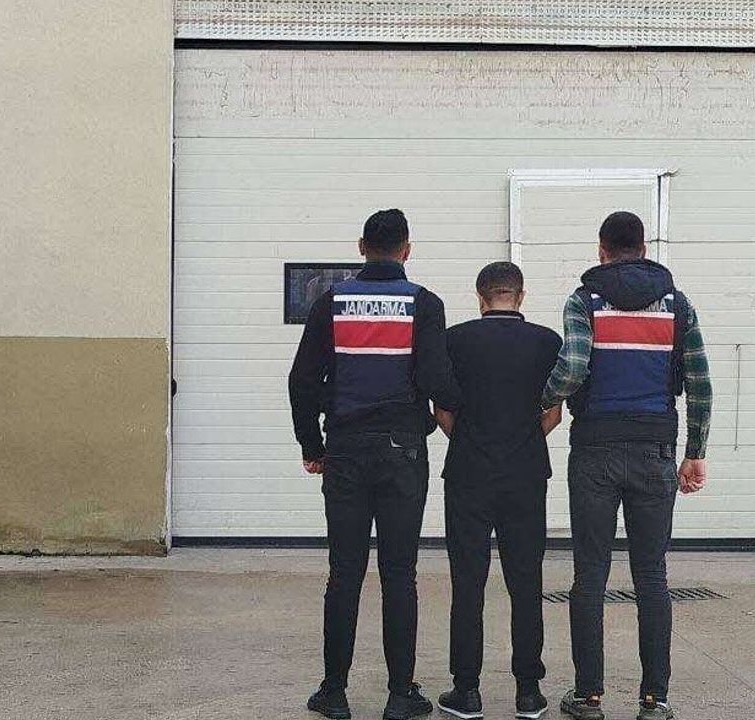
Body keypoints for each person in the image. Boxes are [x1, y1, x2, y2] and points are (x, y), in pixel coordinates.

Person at [539, 211, 712, 720]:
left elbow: (572, 368)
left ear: (602, 250)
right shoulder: (677, 305)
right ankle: (654, 700)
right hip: (656, 450)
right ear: (643, 247)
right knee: (652, 575)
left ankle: (588, 696)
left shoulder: (584, 301)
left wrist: (540, 401)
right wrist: (695, 451)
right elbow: (699, 383)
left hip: (595, 449)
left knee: (590, 574)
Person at [289, 208, 460, 720]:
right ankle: (400, 693)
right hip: (402, 452)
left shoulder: (331, 302)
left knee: (344, 572)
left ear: (362, 247)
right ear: (407, 249)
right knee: (399, 573)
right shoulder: (424, 304)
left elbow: (302, 381)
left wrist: (312, 445)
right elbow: (437, 380)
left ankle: (334, 691)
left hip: (344, 450)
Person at [432, 262, 563, 720]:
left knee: (467, 583)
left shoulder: (454, 340)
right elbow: (553, 414)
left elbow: (442, 411)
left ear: (480, 296)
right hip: (525, 474)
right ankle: (528, 692)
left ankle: (466, 691)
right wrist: (519, 444)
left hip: (468, 473)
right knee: (526, 582)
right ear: (520, 296)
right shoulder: (547, 342)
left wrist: (472, 442)